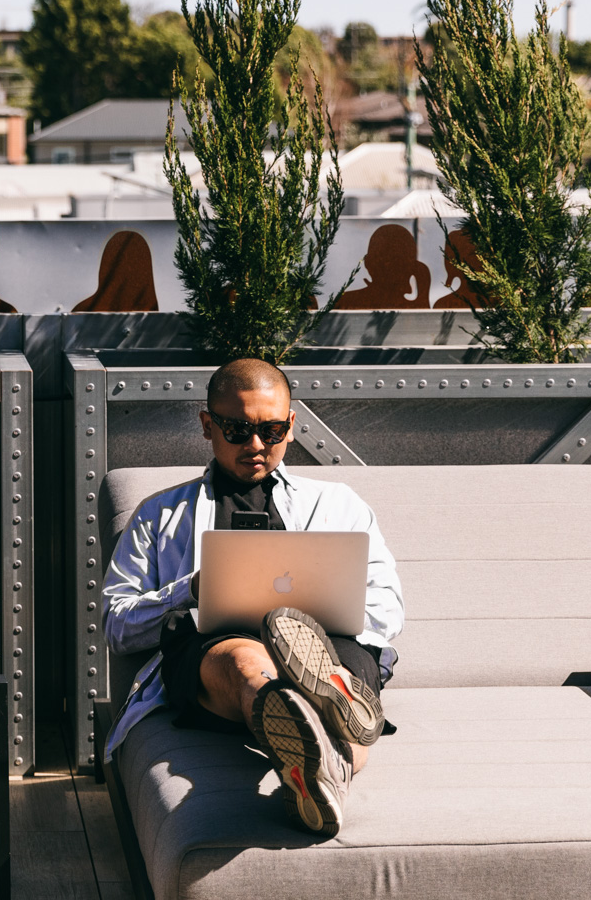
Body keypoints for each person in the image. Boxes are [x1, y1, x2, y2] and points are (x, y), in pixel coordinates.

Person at [102, 358, 403, 837]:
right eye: (238, 429)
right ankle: (312, 702)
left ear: (292, 425)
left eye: (273, 429)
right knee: (247, 657)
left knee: (338, 671)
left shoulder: (339, 503)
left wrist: (327, 612)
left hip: (328, 642)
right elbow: (117, 625)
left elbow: (385, 606)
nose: (257, 444)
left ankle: (316, 731)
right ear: (207, 425)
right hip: (214, 656)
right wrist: (192, 589)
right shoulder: (160, 513)